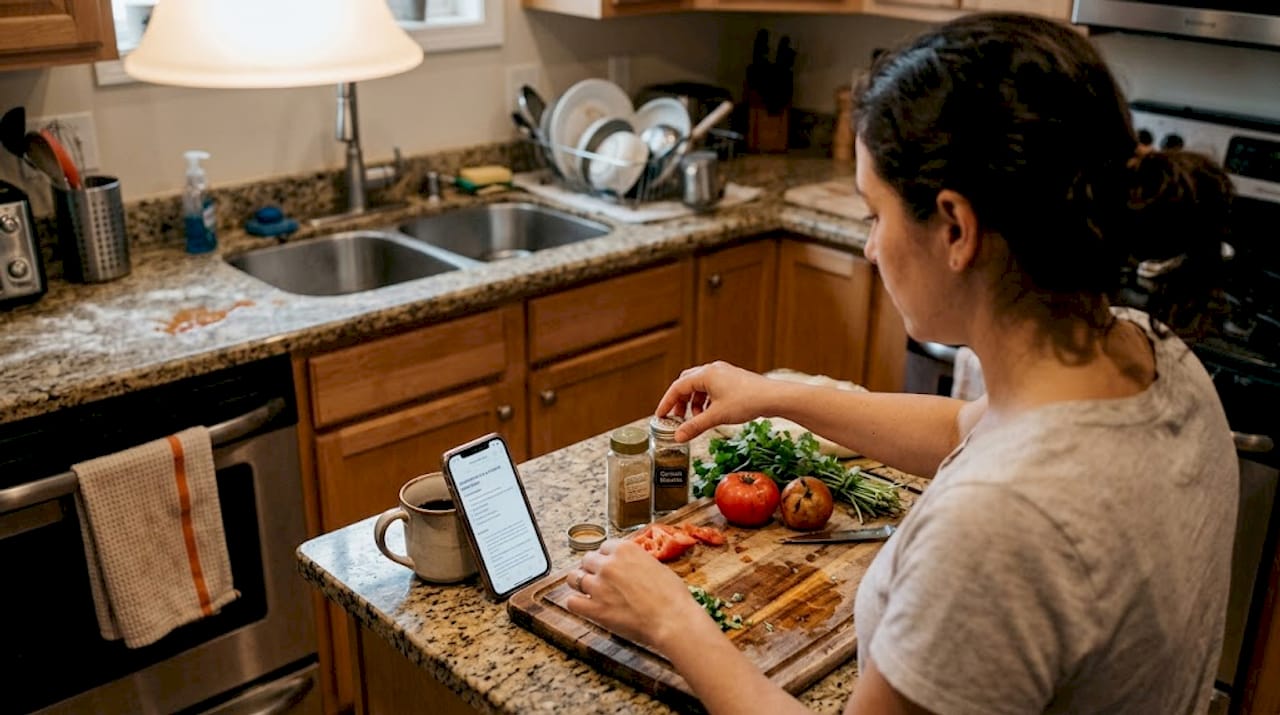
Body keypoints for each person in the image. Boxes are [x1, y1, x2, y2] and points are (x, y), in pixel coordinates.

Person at [564, 12, 1239, 715]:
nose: (869, 248)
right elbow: (964, 428)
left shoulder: (996, 526)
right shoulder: (1154, 353)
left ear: (956, 229)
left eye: (874, 214)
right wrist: (775, 395)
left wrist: (673, 621)